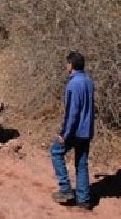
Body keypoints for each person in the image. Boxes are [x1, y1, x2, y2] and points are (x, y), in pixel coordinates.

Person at [50, 51, 95, 211]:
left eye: (67, 63)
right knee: (81, 163)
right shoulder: (89, 81)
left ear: (71, 65)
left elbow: (72, 112)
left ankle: (65, 189)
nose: (65, 66)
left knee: (55, 151)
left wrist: (64, 134)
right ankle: (83, 200)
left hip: (75, 131)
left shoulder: (73, 84)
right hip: (87, 130)